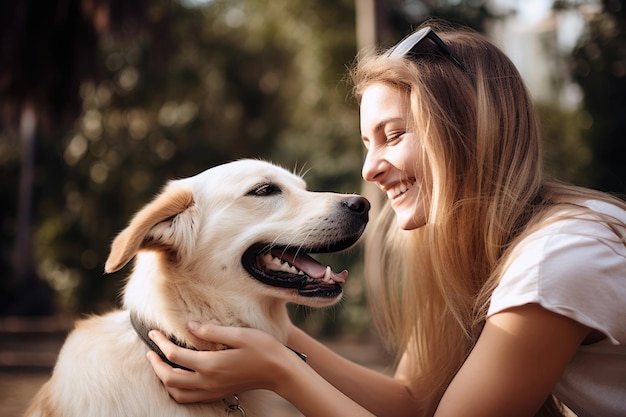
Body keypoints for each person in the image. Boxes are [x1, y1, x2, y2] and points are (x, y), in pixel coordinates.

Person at [146, 20, 626, 417]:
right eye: (367, 144)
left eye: (393, 136)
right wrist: (279, 337)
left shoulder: (557, 259)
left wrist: (282, 371)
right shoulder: (480, 252)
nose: (368, 170)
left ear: (469, 133)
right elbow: (413, 401)